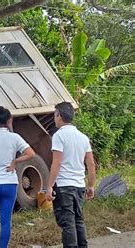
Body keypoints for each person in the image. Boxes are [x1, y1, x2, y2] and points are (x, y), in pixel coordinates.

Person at [0, 106, 35, 248]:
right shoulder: (14, 138)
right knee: (5, 221)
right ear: (9, 120)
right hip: (9, 183)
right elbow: (30, 153)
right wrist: (15, 161)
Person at [45, 102, 96, 248]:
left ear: (59, 116)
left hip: (63, 186)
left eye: (55, 115)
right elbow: (91, 164)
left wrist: (49, 186)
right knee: (78, 220)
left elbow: (57, 162)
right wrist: (91, 185)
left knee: (67, 222)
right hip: (79, 185)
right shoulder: (83, 137)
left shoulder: (59, 136)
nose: (54, 118)